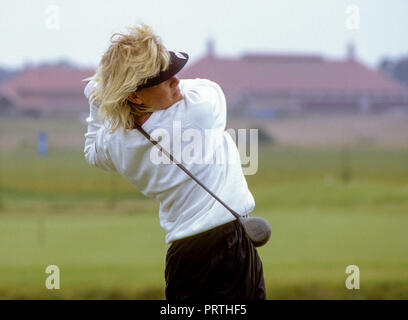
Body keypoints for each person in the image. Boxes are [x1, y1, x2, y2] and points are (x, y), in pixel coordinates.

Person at [83, 24, 265, 301]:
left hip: (184, 256)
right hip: (226, 246)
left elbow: (92, 151)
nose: (177, 82)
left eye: (174, 75)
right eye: (165, 80)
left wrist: (101, 101)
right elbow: (209, 88)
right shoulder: (199, 110)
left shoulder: (115, 142)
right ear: (134, 94)